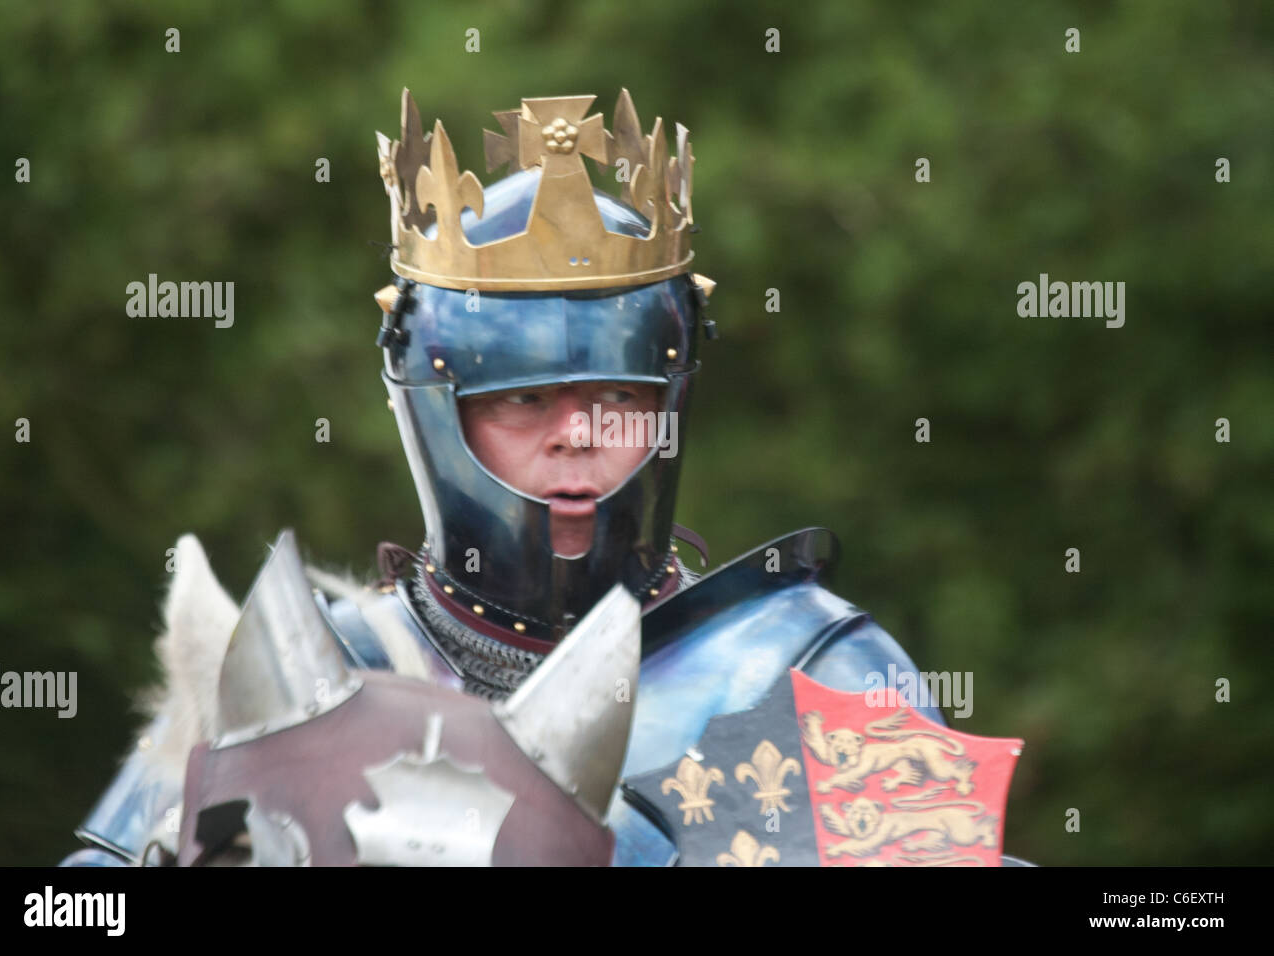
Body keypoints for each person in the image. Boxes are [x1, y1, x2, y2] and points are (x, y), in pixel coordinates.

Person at [62, 88, 1018, 866]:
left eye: (618, 397)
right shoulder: (298, 680)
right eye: (522, 402)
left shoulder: (811, 673)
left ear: (673, 398)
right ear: (435, 410)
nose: (579, 435)